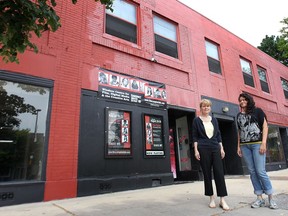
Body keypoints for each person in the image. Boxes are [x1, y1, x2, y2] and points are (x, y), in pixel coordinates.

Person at [236, 93, 278, 209]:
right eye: (240, 100)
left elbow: (265, 127)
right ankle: (259, 198)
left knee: (260, 171)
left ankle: (271, 197)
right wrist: (238, 146)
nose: (242, 101)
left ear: (249, 100)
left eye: (244, 99)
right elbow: (240, 132)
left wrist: (263, 143)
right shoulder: (239, 115)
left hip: (257, 144)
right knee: (252, 172)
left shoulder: (258, 111)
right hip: (245, 146)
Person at [192, 99, 229, 210]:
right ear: (201, 108)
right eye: (204, 106)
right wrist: (196, 150)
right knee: (207, 173)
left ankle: (222, 199)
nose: (206, 108)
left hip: (215, 147)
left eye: (208, 106)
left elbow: (218, 135)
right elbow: (195, 136)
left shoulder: (214, 120)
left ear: (210, 108)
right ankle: (211, 198)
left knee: (219, 172)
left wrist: (221, 148)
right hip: (203, 148)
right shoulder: (196, 120)